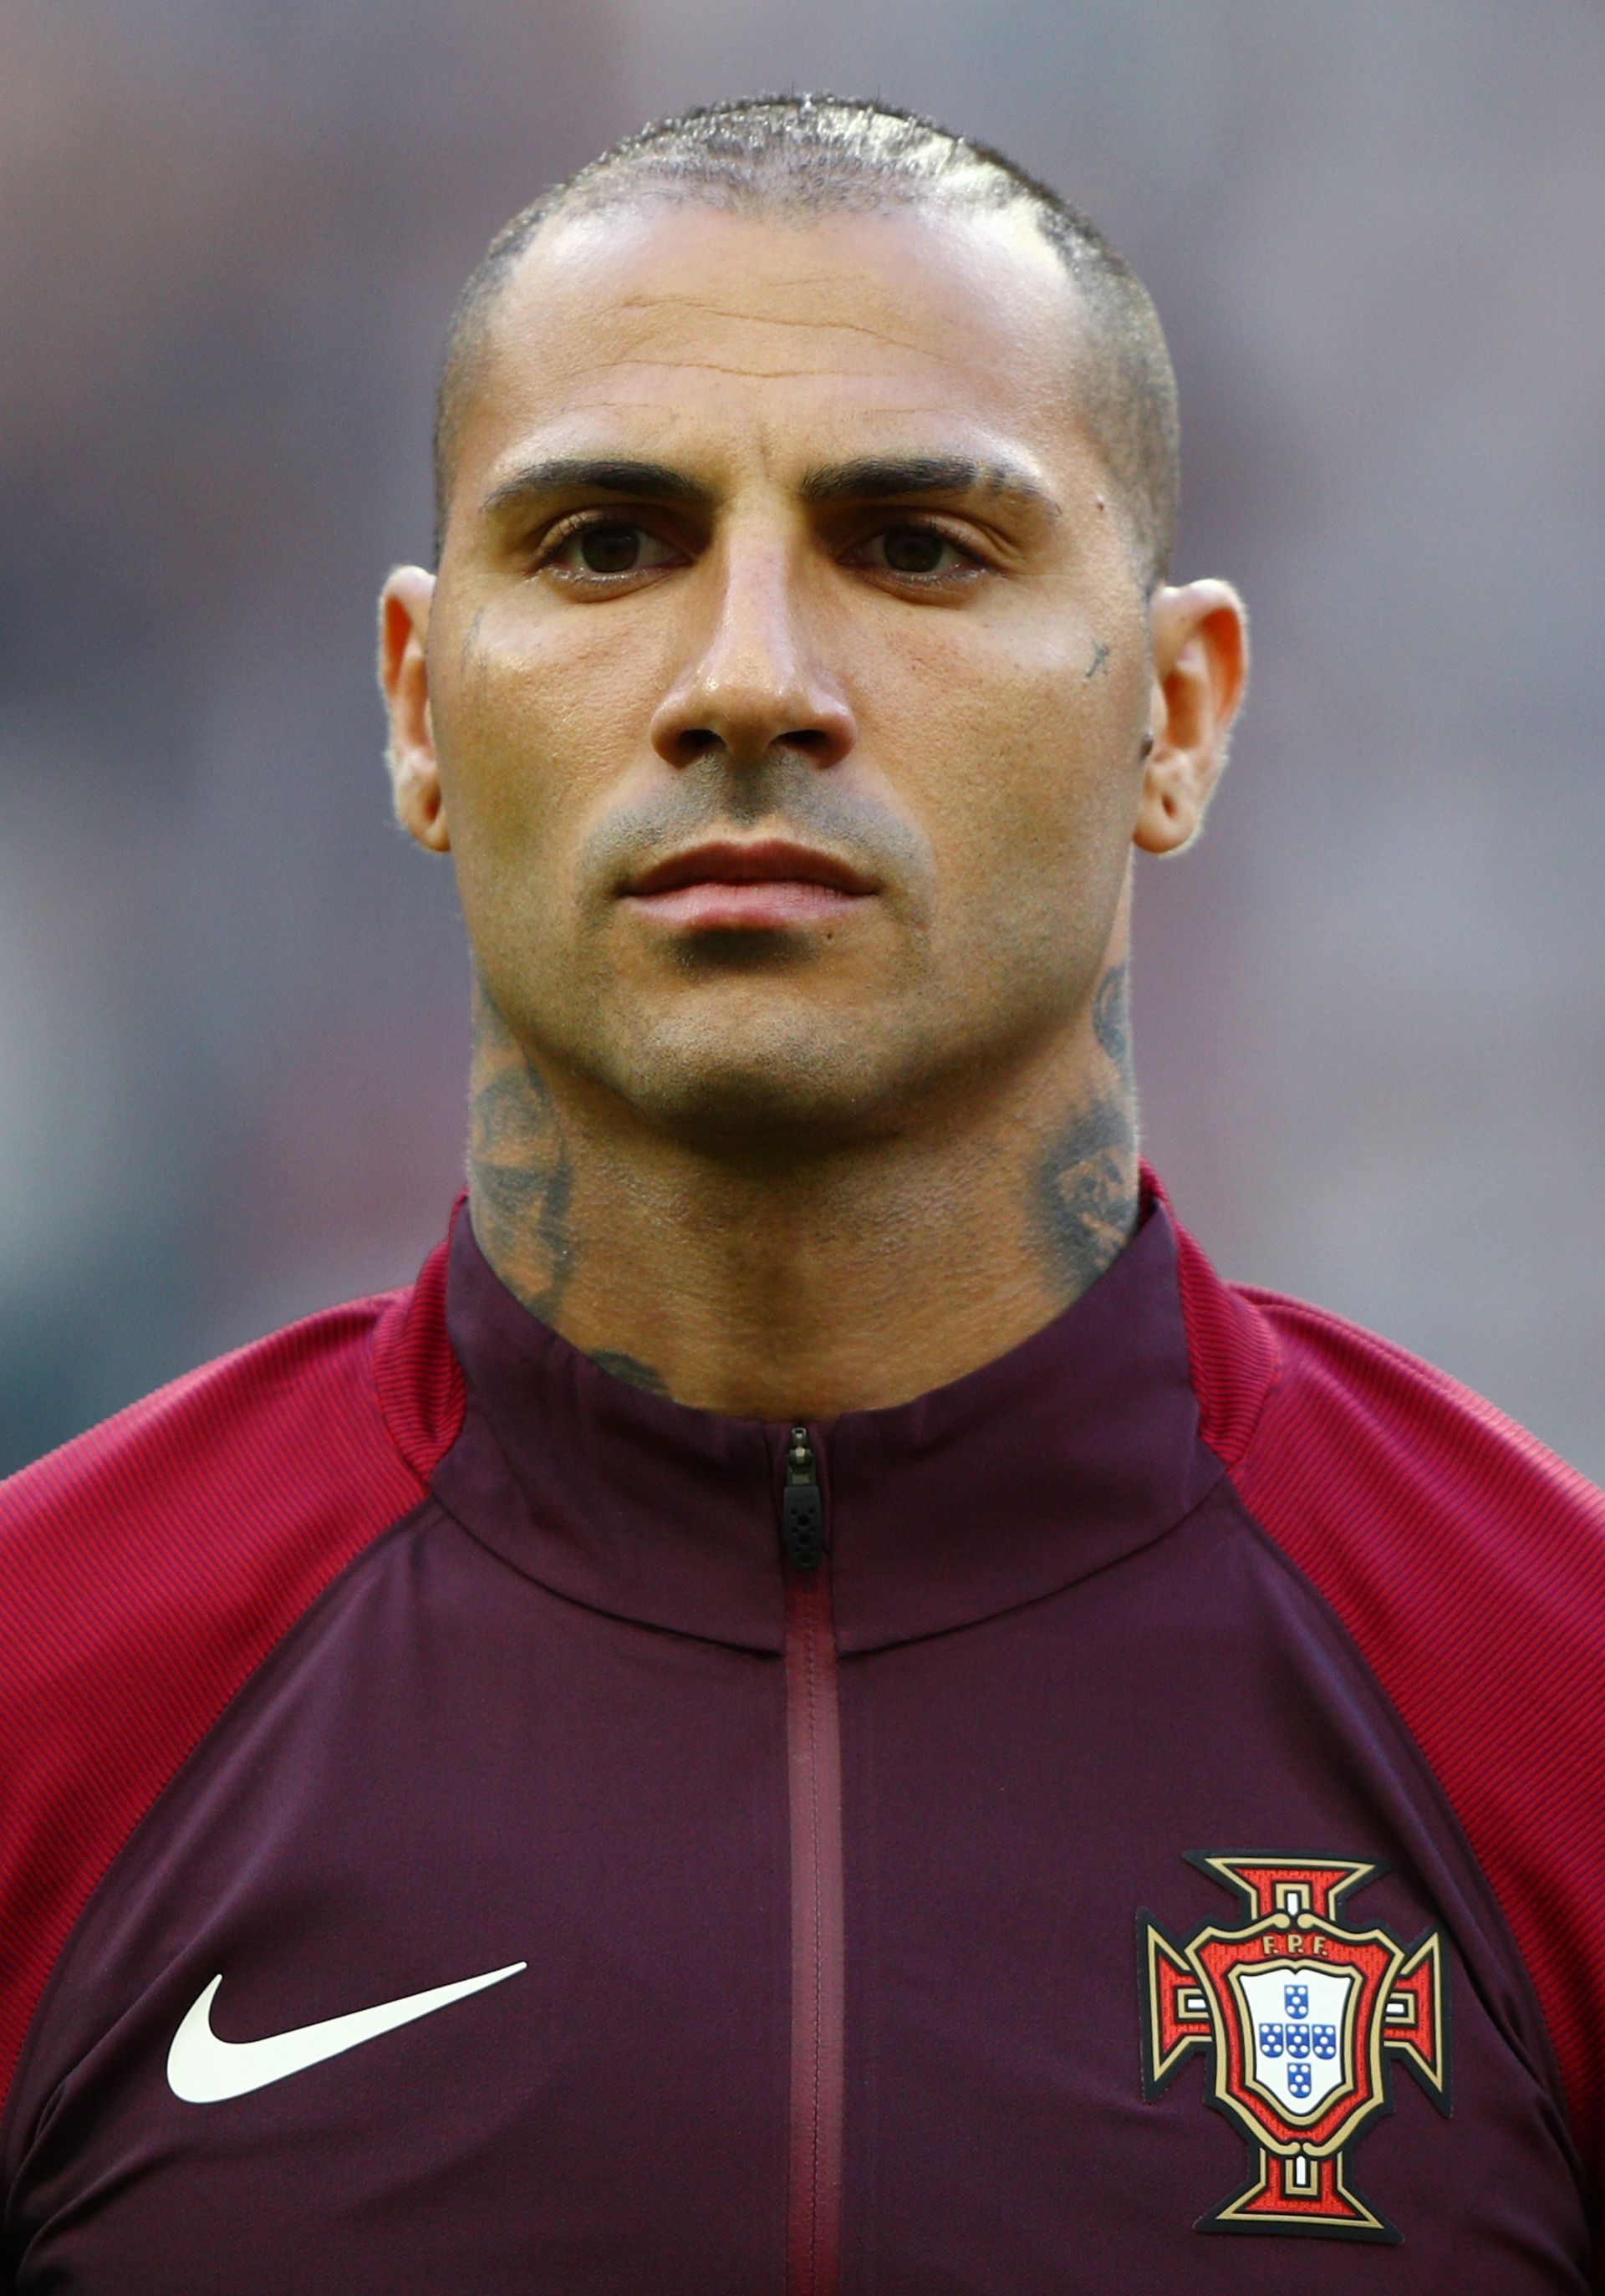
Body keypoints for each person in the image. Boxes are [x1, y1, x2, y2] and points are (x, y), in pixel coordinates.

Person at [0, 94, 1598, 2293]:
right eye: (605, 544)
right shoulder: (51, 1695)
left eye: (920, 544)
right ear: (415, 703)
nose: (749, 677)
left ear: (1179, 711)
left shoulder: (1554, 1698)